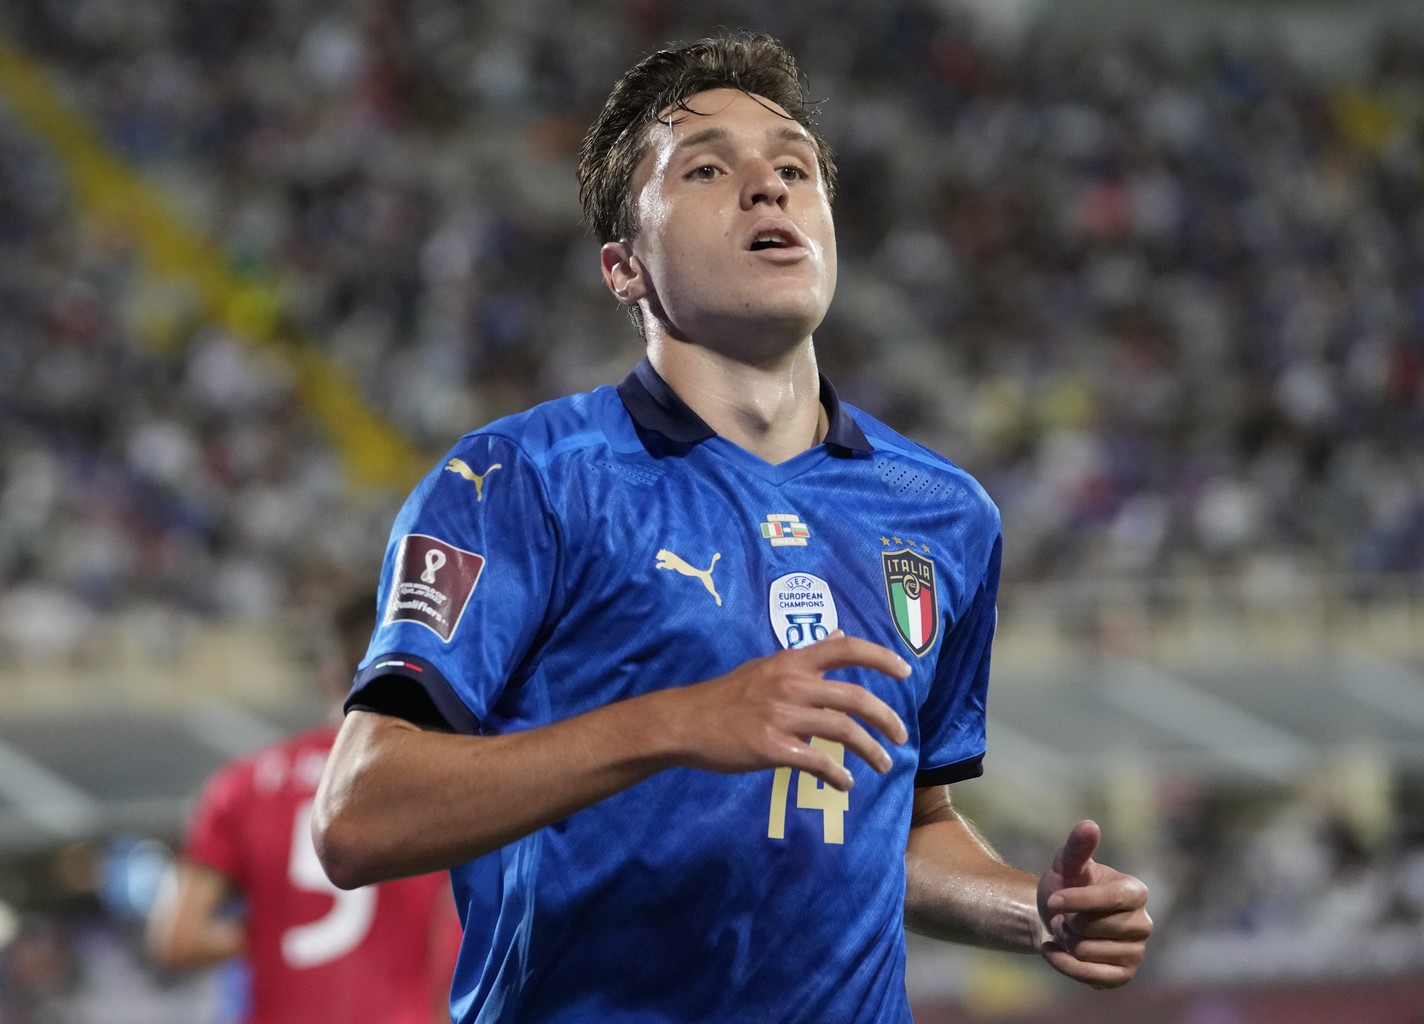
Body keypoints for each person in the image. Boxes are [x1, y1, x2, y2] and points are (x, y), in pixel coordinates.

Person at [312, 30, 1153, 1023]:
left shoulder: (945, 515)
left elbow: (902, 823)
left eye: (794, 167)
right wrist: (674, 722)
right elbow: (358, 814)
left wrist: (1031, 908)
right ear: (624, 268)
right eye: (709, 167)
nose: (769, 187)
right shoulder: (520, 482)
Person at [147, 591, 460, 1024]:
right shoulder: (445, 784)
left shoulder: (241, 784)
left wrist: (272, 929)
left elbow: (178, 938)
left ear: (327, 672)